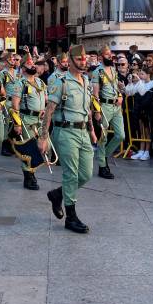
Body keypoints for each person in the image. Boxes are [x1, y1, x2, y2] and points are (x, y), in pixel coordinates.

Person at [39, 45, 97, 234]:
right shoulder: (61, 82)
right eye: (79, 59)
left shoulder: (86, 80)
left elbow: (87, 109)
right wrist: (43, 137)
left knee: (86, 174)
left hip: (83, 132)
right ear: (70, 60)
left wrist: (91, 130)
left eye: (84, 58)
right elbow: (49, 110)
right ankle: (71, 218)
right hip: (65, 132)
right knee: (71, 174)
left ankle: (57, 194)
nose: (83, 62)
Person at [9, 53, 47, 190]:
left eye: (33, 63)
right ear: (23, 68)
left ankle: (31, 173)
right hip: (26, 119)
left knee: (42, 148)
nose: (33, 65)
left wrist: (44, 109)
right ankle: (29, 177)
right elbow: (15, 105)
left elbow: (45, 99)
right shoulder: (20, 83)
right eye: (29, 64)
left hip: (40, 120)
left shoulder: (40, 82)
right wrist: (17, 123)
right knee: (29, 150)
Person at [92, 46, 125, 178]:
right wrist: (97, 111)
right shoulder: (97, 72)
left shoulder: (113, 69)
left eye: (110, 53)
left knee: (120, 135)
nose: (110, 56)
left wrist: (120, 96)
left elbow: (116, 86)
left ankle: (103, 155)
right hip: (104, 106)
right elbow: (95, 94)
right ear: (101, 57)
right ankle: (102, 166)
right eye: (107, 54)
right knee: (103, 137)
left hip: (116, 106)